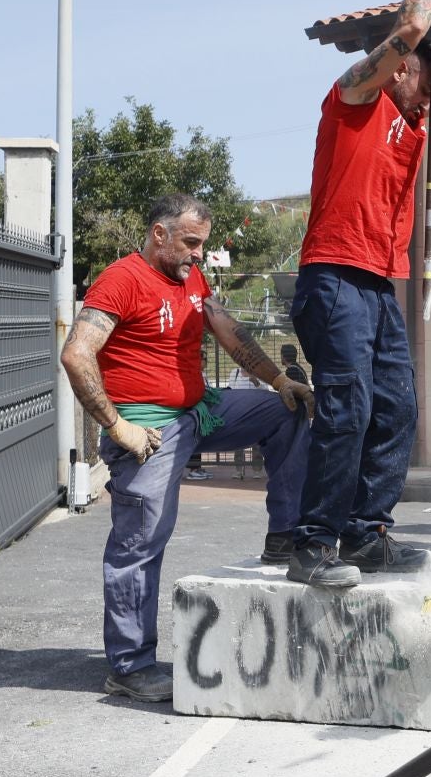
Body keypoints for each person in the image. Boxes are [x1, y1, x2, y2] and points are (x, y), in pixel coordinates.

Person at [287, 0, 431, 588]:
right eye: (426, 80)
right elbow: (408, 25)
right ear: (399, 69)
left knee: (397, 405)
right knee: (347, 407)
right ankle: (312, 543)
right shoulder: (353, 99)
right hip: (334, 277)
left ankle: (366, 532)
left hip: (380, 285)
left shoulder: (418, 116)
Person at [62, 193, 316, 703]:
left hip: (201, 413)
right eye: (191, 242)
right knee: (140, 542)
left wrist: (276, 381)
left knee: (286, 414)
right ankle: (129, 666)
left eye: (202, 244)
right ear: (160, 234)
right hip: (148, 429)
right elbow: (76, 354)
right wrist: (117, 427)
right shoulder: (122, 279)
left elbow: (227, 328)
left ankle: (285, 534)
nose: (199, 253)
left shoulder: (191, 278)